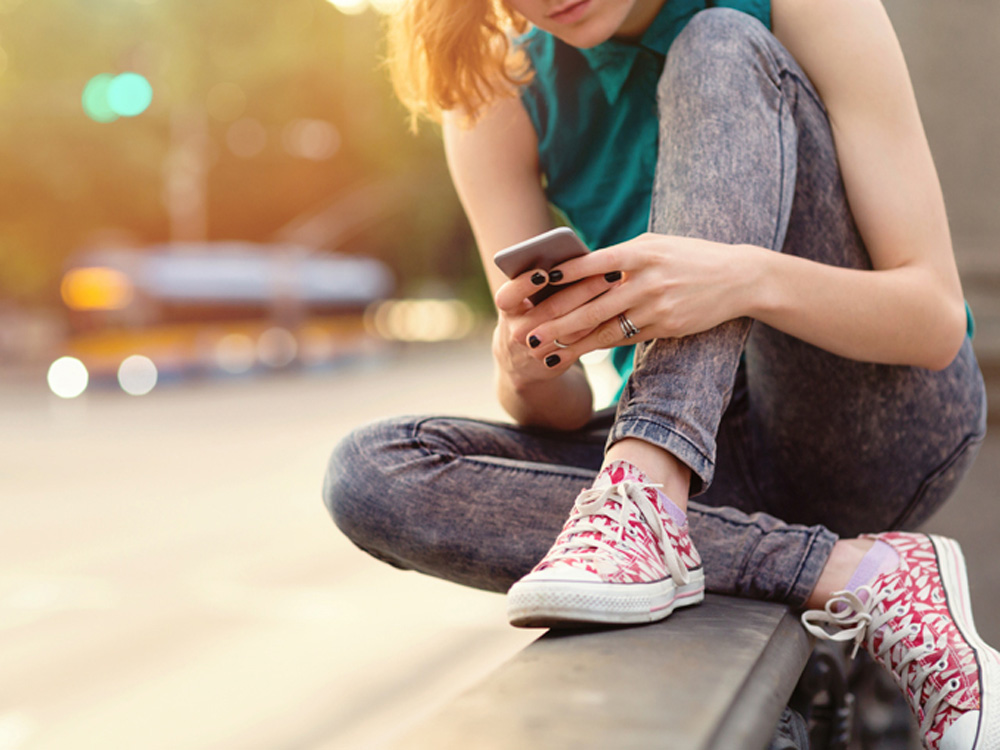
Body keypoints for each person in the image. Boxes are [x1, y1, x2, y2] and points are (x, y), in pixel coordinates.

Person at [323, 0, 998, 747]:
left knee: (718, 43)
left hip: (870, 422)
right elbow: (556, 402)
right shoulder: (499, 87)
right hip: (711, 476)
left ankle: (647, 491)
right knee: (370, 473)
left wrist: (741, 280)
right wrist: (525, 361)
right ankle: (854, 574)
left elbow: (933, 320)